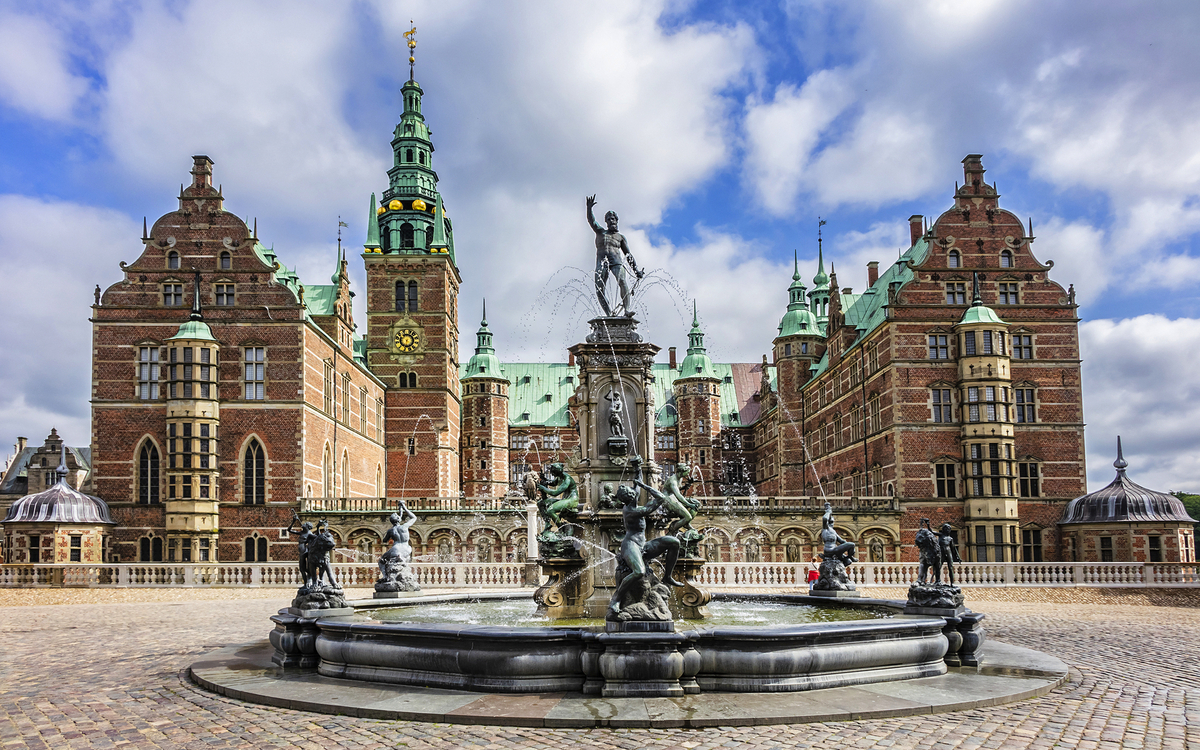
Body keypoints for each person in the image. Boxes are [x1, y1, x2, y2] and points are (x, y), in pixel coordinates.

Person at [607, 483, 683, 619]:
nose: (635, 491)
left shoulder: (633, 503)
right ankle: (616, 599)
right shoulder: (632, 511)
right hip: (630, 545)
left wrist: (638, 474)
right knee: (639, 572)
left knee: (674, 542)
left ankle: (667, 576)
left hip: (643, 545)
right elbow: (660, 498)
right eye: (632, 491)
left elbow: (637, 487)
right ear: (631, 497)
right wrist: (645, 486)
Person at [586, 195, 643, 317]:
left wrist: (636, 270)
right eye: (609, 219)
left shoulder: (620, 237)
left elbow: (628, 255)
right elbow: (592, 221)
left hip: (616, 262)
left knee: (622, 281)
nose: (611, 221)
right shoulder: (600, 232)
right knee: (599, 289)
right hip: (602, 263)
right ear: (606, 222)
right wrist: (589, 208)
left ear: (617, 221)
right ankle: (609, 314)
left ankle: (627, 310)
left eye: (613, 219)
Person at [378, 502, 417, 579]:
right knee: (403, 562)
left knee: (381, 561)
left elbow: (385, 540)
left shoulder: (390, 530)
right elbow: (414, 518)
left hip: (396, 549)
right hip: (407, 549)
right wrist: (404, 507)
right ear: (399, 520)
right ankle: (403, 576)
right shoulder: (404, 526)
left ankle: (385, 577)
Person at [536, 463, 579, 528]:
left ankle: (561, 528)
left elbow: (555, 493)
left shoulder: (567, 479)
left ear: (557, 472)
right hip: (565, 499)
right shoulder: (559, 477)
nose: (552, 474)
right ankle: (547, 524)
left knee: (550, 510)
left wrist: (543, 488)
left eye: (553, 473)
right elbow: (553, 483)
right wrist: (545, 479)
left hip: (572, 500)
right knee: (541, 503)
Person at [819, 502, 857, 566]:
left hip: (836, 551)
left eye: (832, 522)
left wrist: (848, 548)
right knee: (852, 544)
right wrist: (828, 511)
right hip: (829, 550)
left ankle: (837, 568)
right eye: (830, 522)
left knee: (848, 561)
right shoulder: (825, 529)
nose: (832, 523)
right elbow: (825, 518)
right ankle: (850, 557)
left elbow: (842, 541)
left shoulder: (833, 532)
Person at [286, 512, 315, 588]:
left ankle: (309, 580)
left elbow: (317, 538)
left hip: (305, 551)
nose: (303, 524)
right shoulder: (302, 532)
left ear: (308, 527)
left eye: (305, 524)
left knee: (307, 568)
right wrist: (293, 521)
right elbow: (289, 530)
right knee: (302, 569)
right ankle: (306, 583)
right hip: (301, 551)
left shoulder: (309, 534)